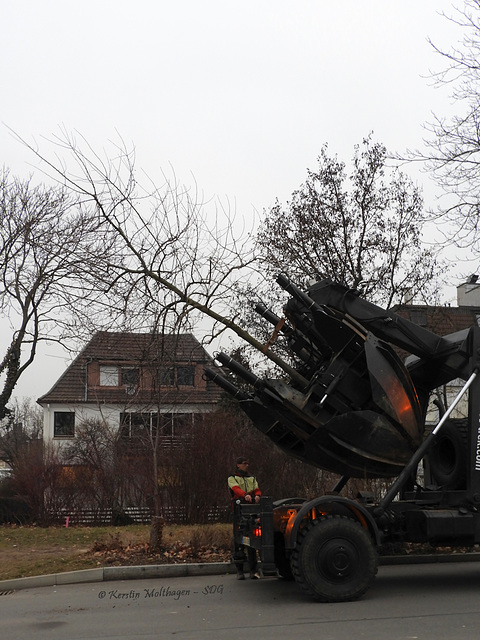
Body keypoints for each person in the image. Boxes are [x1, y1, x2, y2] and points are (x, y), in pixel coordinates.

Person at [228, 456, 262, 580]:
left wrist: (257, 496)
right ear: (238, 465)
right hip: (239, 512)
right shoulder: (232, 478)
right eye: (244, 463)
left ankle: (253, 570)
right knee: (238, 541)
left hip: (251, 511)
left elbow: (257, 489)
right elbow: (235, 489)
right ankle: (240, 570)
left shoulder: (251, 478)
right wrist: (245, 495)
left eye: (247, 463)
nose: (247, 465)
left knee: (252, 541)